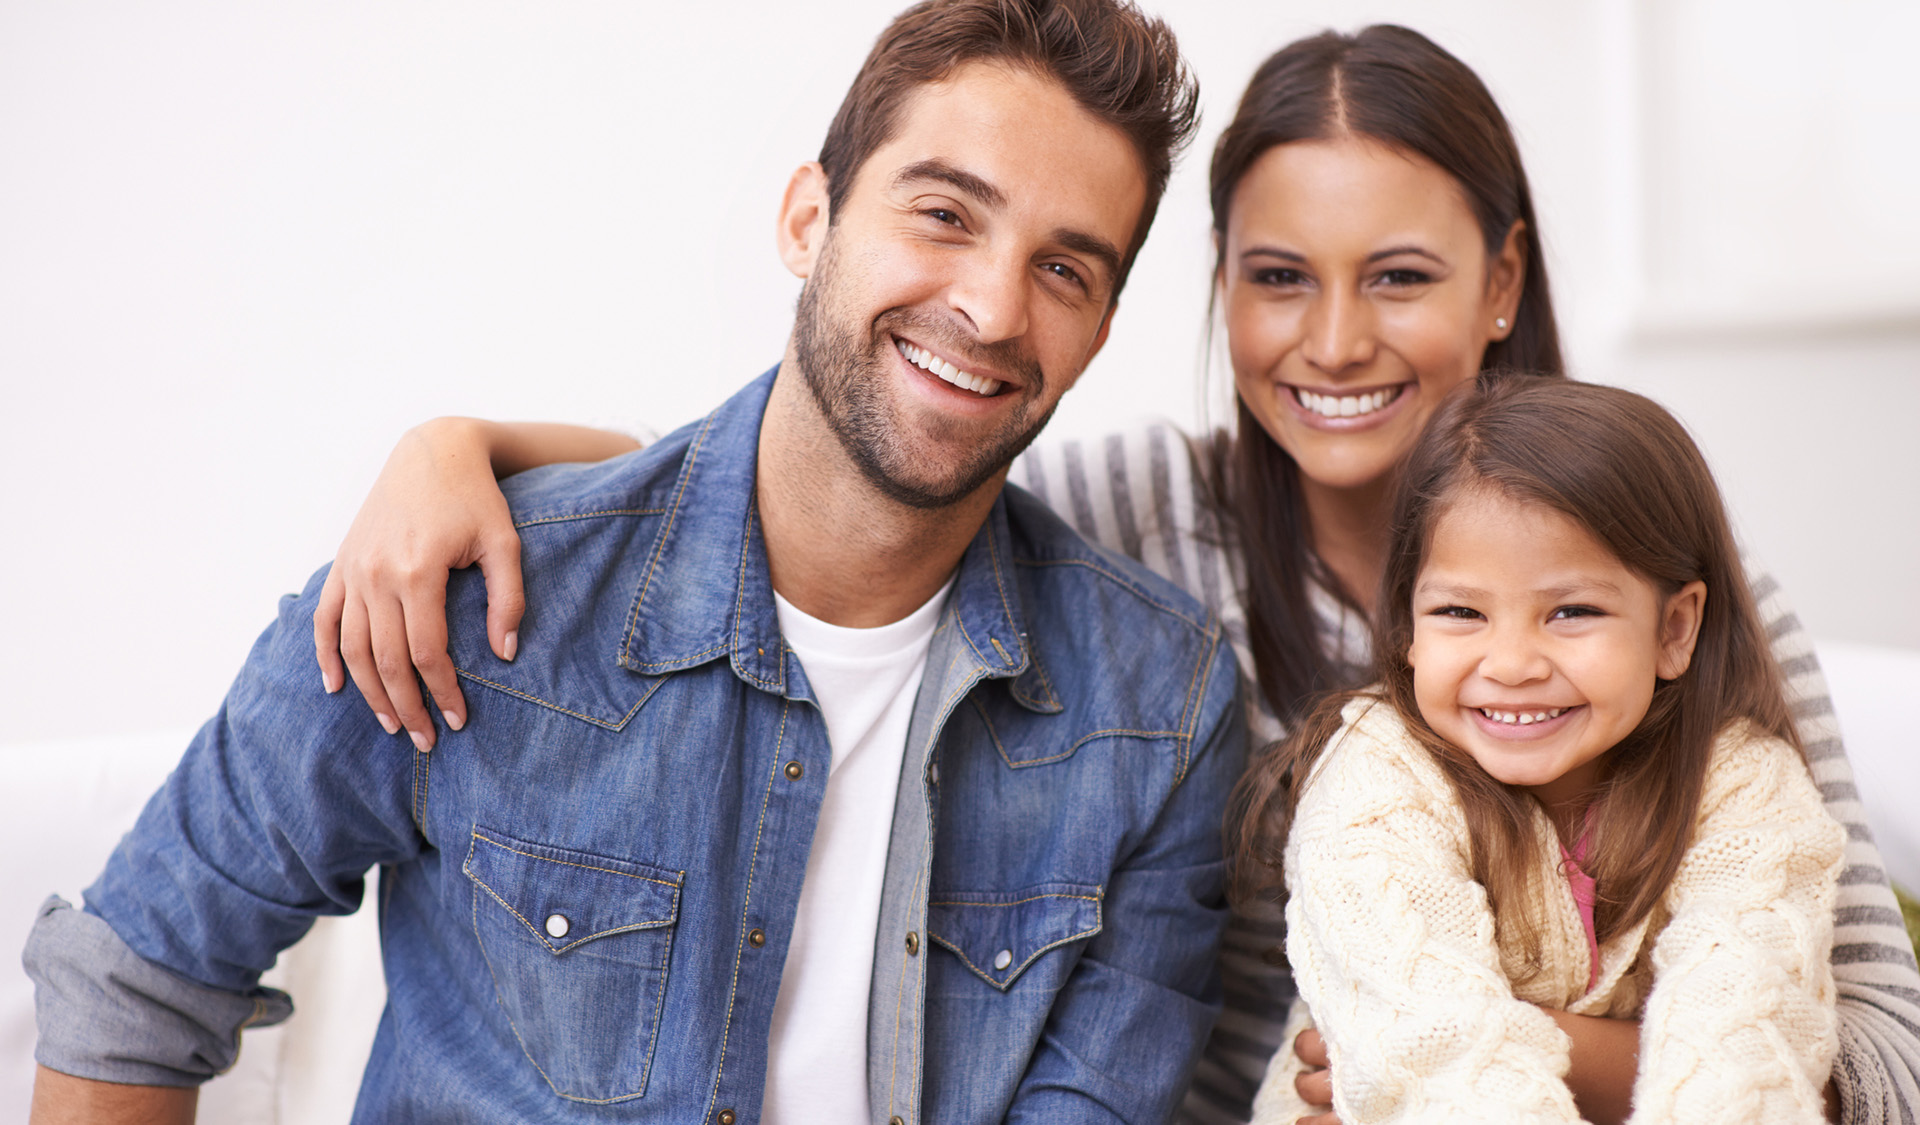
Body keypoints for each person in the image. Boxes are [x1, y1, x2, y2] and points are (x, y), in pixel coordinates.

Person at [309, 24, 1920, 1125]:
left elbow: (1884, 1054)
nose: (1336, 340)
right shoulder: (1134, 518)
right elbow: (821, 487)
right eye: (1279, 279)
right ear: (1218, 296)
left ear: (1502, 283)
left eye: (1403, 278)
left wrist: (1488, 1056)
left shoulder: (1667, 597)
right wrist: (472, 440)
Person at [24, 2, 1248, 1122]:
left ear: (1099, 328)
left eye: (1064, 268)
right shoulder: (475, 588)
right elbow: (136, 985)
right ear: (808, 218)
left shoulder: (1159, 710)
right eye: (943, 214)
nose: (990, 307)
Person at [1238, 373, 1846, 1124]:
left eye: (1572, 611)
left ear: (1674, 629)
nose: (1514, 662)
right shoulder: (1374, 780)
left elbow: (1746, 1041)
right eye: (1461, 611)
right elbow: (1447, 1068)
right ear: (1405, 628)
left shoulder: (1743, 787)